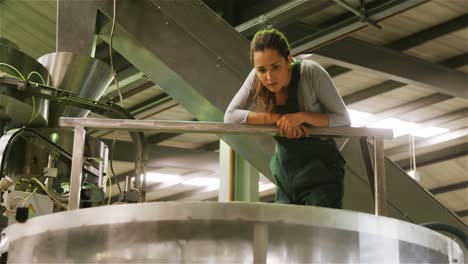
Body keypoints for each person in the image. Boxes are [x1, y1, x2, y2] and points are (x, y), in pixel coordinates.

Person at [224, 28, 351, 209]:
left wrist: (301, 117)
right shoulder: (256, 77)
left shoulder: (311, 72)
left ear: (289, 59)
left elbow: (343, 119)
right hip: (286, 176)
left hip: (321, 174)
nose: (268, 77)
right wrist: (279, 118)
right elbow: (230, 116)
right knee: (286, 235)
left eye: (275, 67)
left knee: (319, 235)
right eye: (261, 70)